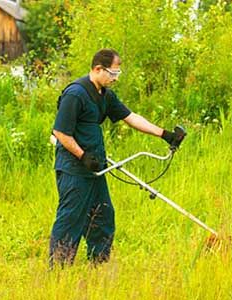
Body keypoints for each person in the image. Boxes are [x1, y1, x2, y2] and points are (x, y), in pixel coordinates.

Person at [50, 48, 181, 267]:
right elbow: (61, 132)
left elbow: (130, 117)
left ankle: (98, 264)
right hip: (74, 167)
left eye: (118, 74)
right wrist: (82, 156)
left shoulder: (105, 95)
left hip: (95, 168)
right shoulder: (75, 94)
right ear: (98, 69)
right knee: (71, 217)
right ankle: (59, 269)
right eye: (113, 74)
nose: (115, 78)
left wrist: (165, 134)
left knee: (102, 216)